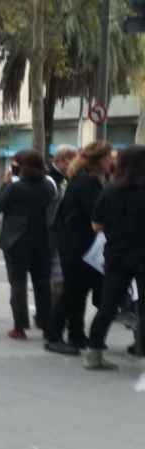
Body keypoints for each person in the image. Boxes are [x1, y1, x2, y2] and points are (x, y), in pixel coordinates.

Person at [44, 141, 112, 355]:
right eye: (108, 157)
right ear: (99, 160)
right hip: (78, 245)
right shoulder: (87, 183)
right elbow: (97, 213)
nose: (111, 161)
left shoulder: (84, 179)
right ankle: (54, 336)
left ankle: (76, 334)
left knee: (79, 291)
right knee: (72, 292)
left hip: (78, 244)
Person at [83, 146, 145, 370]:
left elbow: (96, 224)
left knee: (108, 306)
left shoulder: (110, 190)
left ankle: (94, 353)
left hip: (117, 255)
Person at [0, 149, 54, 340]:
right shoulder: (48, 186)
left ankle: (20, 327)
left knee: (18, 284)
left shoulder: (14, 187)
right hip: (42, 240)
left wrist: (5, 183)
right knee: (42, 283)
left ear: (21, 166)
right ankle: (45, 323)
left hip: (16, 241)